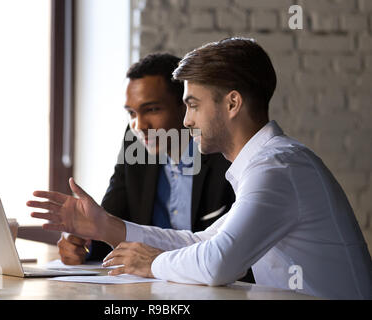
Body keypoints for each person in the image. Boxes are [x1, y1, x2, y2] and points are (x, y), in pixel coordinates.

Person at [27, 38, 372, 299]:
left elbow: (218, 262)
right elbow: (202, 240)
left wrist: (151, 262)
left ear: (232, 103)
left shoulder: (277, 167)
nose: (187, 119)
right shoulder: (267, 164)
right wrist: (108, 225)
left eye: (193, 105)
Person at [56, 53, 255, 282]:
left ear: (186, 106)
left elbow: (237, 254)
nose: (139, 126)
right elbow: (111, 223)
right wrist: (82, 243)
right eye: (132, 113)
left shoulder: (224, 153)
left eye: (152, 110)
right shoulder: (136, 146)